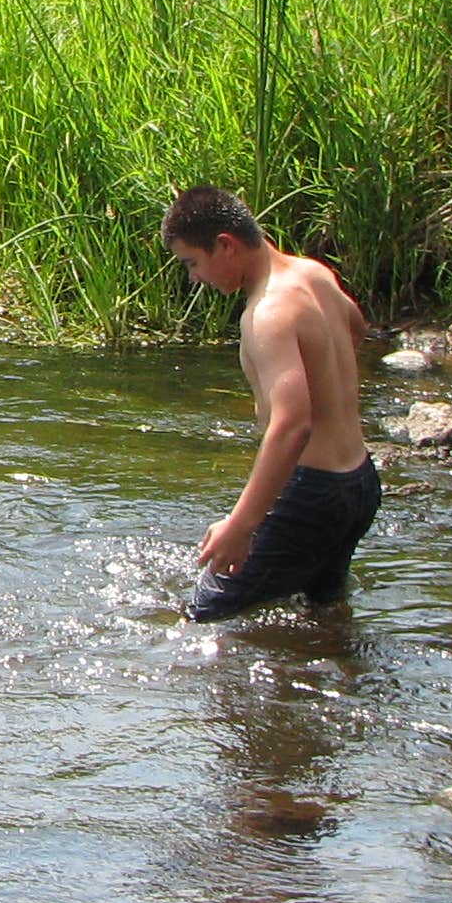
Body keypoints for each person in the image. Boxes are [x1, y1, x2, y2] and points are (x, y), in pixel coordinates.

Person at [162, 185, 379, 620]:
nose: (194, 278)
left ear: (225, 245)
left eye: (192, 263)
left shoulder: (267, 314)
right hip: (358, 483)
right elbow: (354, 328)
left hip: (311, 493)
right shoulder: (312, 274)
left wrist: (240, 526)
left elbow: (293, 424)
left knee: (203, 620)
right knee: (322, 613)